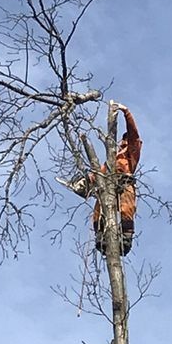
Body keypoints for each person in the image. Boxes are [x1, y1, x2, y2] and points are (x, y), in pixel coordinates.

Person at [62, 103, 142, 256]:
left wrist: (126, 112)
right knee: (99, 211)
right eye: (122, 142)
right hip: (106, 187)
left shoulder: (131, 153)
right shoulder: (112, 160)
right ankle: (101, 236)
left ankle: (126, 238)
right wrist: (85, 182)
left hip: (124, 182)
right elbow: (99, 174)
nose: (123, 143)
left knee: (126, 208)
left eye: (125, 141)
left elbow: (134, 134)